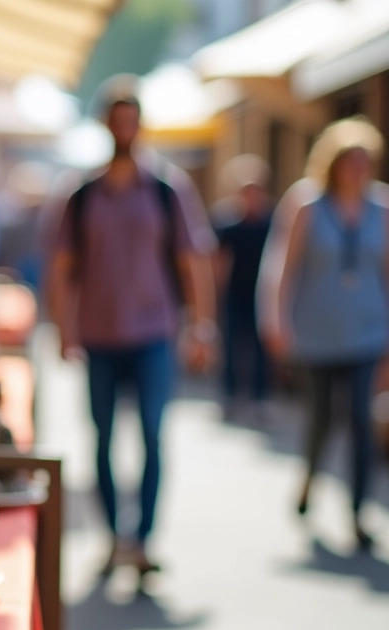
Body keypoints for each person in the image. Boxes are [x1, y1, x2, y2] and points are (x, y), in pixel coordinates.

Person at [46, 77, 217, 578]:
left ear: (140, 125)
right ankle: (112, 537)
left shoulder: (168, 190)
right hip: (99, 334)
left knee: (152, 437)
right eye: (116, 119)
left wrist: (203, 326)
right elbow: (60, 266)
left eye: (131, 119)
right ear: (106, 124)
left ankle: (141, 540)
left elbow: (193, 261)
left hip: (153, 334)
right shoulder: (81, 194)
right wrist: (63, 327)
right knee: (99, 439)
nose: (124, 127)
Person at [266, 117, 389, 550]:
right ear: (333, 163)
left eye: (364, 161)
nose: (357, 170)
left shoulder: (382, 209)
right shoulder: (306, 204)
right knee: (321, 418)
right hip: (316, 332)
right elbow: (283, 266)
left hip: (368, 331)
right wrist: (277, 319)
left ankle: (358, 513)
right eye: (350, 161)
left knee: (360, 417)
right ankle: (311, 479)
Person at [213, 155, 273, 418]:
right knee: (231, 347)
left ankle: (260, 398)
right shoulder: (228, 223)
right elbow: (219, 261)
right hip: (235, 294)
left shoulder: (271, 222)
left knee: (261, 350)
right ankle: (230, 395)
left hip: (261, 295)